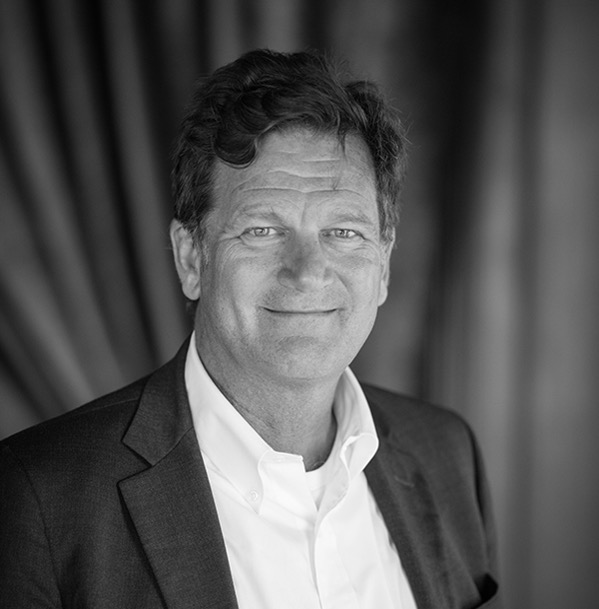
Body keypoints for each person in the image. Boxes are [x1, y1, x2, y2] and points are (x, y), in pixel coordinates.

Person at [0, 49, 499, 608]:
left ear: (383, 266)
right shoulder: (39, 499)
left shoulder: (448, 454)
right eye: (262, 230)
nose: (307, 272)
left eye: (344, 232)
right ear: (191, 258)